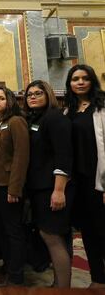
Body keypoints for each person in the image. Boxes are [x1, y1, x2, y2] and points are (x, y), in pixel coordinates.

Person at [24, 80, 74, 287]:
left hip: (52, 188)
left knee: (52, 236)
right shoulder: (36, 119)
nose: (33, 97)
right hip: (39, 188)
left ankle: (62, 288)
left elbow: (64, 156)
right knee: (47, 235)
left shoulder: (55, 118)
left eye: (38, 93)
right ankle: (58, 285)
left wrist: (59, 190)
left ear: (48, 95)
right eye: (29, 95)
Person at [64, 64, 105, 288]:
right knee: (88, 231)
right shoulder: (68, 110)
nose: (80, 82)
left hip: (98, 179)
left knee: (102, 229)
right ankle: (98, 279)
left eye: (84, 78)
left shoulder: (102, 106)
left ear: (92, 81)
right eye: (75, 79)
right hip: (77, 181)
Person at [0, 87, 29, 287]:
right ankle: (8, 265)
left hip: (8, 186)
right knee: (1, 228)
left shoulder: (16, 122)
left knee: (13, 230)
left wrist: (15, 189)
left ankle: (16, 275)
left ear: (10, 101)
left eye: (1, 98)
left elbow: (21, 157)